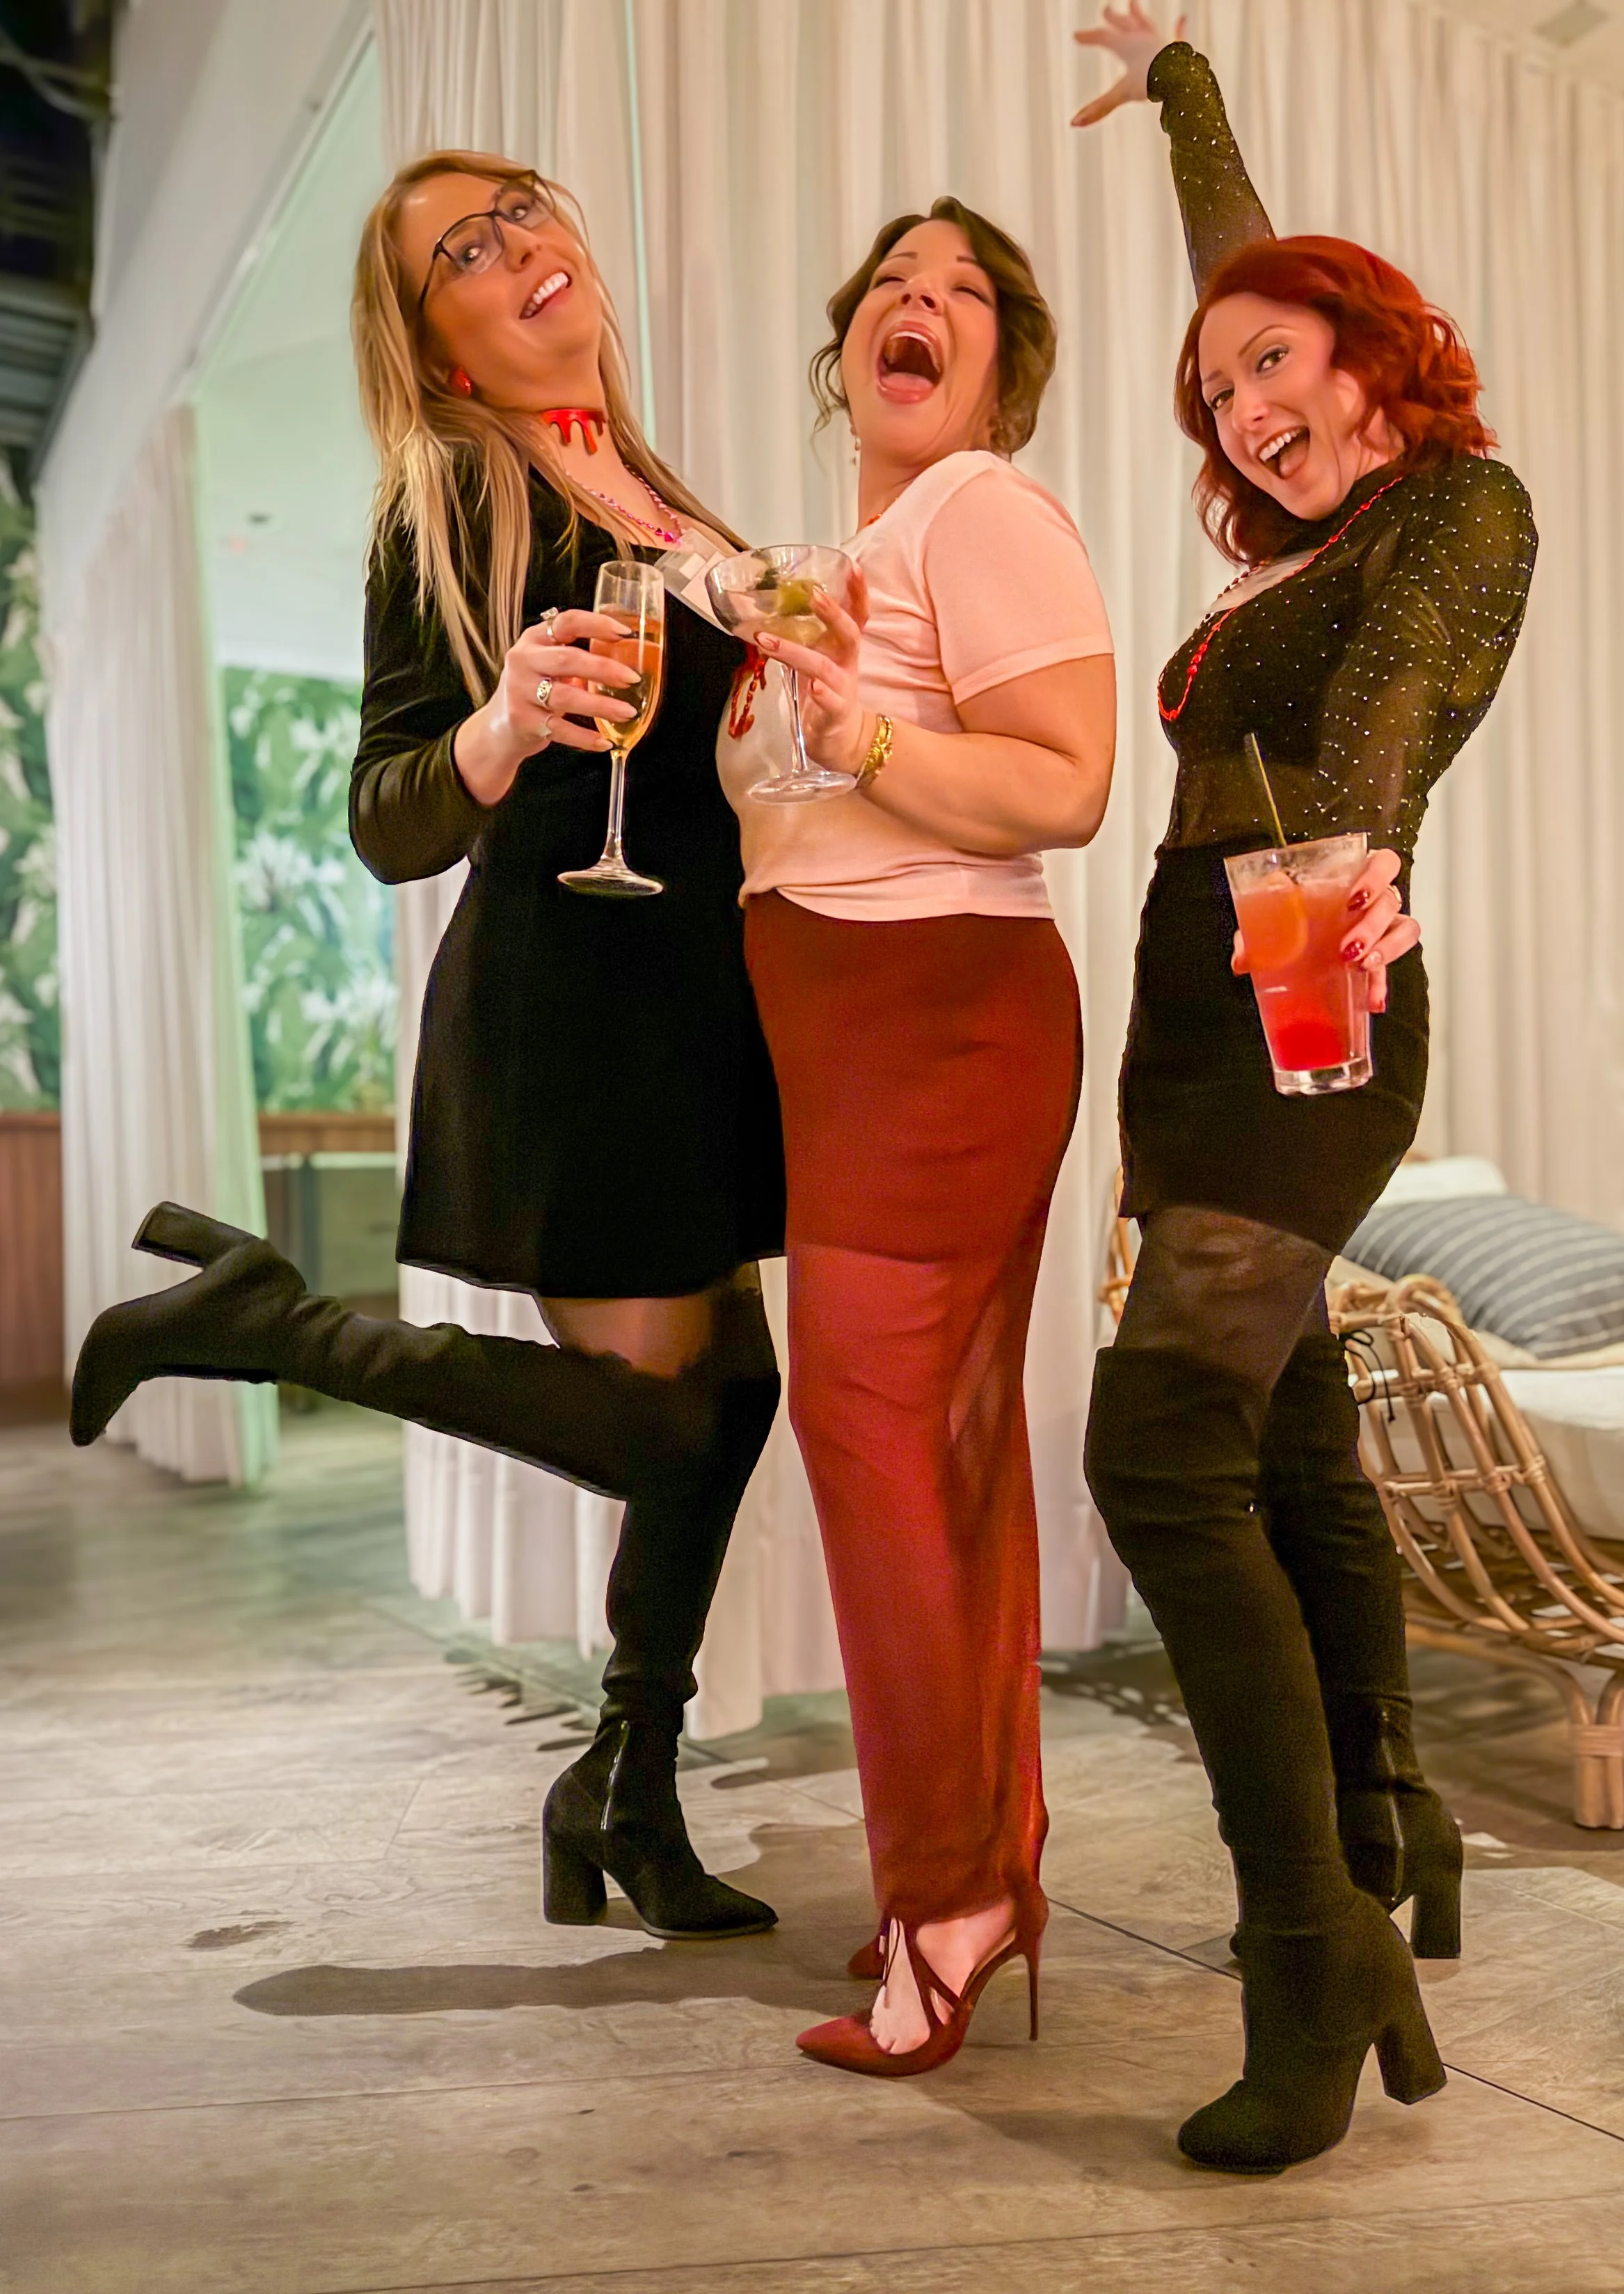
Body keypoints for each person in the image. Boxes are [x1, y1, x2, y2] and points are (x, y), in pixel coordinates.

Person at [70, 155, 787, 1945]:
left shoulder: (652, 484)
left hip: (700, 1002)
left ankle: (620, 1785)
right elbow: (383, 814)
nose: (519, 247)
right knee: (659, 1430)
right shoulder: (447, 498)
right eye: (462, 251)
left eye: (525, 210)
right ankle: (276, 1322)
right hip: (573, 1008)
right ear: (437, 346)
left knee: (737, 1399)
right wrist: (493, 729)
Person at [1073, 15, 1537, 2172]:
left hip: (1299, 989)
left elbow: (1377, 723)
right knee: (1287, 1438)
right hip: (1189, 1007)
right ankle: (1383, 1815)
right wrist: (1179, 79)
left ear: (1371, 353)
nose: (1246, 410)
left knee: (1157, 1448)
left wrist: (1348, 878)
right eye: (1217, 391)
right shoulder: (1292, 525)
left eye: (1279, 366)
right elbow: (1239, 254)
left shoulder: (1452, 509)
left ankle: (1306, 1942)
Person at [714, 198, 1111, 2078]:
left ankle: (953, 1888)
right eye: (887, 280)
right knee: (919, 1451)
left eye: (958, 291)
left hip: (939, 1022)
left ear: (999, 369)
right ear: (842, 346)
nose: (915, 301)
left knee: (880, 1440)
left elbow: (1066, 784)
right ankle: (965, 1874)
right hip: (842, 1036)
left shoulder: (980, 511)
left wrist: (855, 738)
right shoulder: (845, 559)